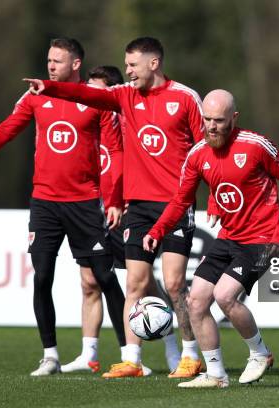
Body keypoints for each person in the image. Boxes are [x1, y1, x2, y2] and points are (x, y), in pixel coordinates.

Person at [24, 37, 207, 378]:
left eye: (133, 65)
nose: (128, 71)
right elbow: (87, 95)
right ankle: (133, 359)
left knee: (174, 283)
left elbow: (204, 152)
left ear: (153, 63)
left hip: (176, 204)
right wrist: (49, 87)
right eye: (126, 66)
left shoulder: (184, 98)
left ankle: (190, 354)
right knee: (135, 283)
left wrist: (213, 195)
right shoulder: (123, 95)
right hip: (138, 205)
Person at [0, 38, 123, 377]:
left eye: (57, 61)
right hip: (45, 203)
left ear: (75, 64)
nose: (50, 66)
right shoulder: (36, 96)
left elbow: (115, 153)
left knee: (105, 277)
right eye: (48, 60)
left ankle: (129, 355)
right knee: (42, 277)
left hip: (84, 202)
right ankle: (50, 355)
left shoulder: (95, 100)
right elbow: (8, 128)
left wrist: (114, 199)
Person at [143, 89, 279, 388]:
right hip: (229, 236)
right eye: (207, 120)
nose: (212, 126)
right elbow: (180, 200)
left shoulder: (255, 146)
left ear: (234, 118)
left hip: (262, 238)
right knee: (196, 301)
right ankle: (216, 375)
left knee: (224, 295)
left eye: (219, 120)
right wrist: (156, 231)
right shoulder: (197, 153)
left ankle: (260, 352)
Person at [62, 65, 171, 376]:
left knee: (142, 281)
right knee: (90, 282)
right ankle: (90, 354)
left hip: (125, 210)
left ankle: (169, 346)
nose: (90, 99)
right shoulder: (84, 126)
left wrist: (119, 201)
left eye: (98, 93)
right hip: (89, 211)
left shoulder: (125, 121)